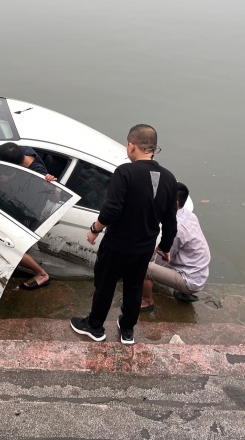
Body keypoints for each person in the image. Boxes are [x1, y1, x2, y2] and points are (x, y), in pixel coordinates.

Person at [69, 125, 178, 345]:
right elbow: (170, 220)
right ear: (154, 148)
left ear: (131, 145)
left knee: (105, 283)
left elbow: (112, 210)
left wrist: (94, 230)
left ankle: (95, 326)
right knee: (134, 286)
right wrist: (165, 246)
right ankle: (127, 330)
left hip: (118, 244)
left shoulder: (125, 172)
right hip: (145, 246)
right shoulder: (169, 178)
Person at [140, 182, 210, 311]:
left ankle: (146, 301)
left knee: (143, 267)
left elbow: (164, 258)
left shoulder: (176, 227)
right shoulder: (189, 215)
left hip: (189, 280)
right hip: (199, 273)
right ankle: (185, 294)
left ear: (175, 203)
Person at [0, 142, 56, 290]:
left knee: (12, 247)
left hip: (29, 213)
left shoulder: (38, 175)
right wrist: (9, 179)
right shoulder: (25, 151)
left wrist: (51, 186)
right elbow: (19, 168)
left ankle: (42, 274)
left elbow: (55, 196)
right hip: (20, 206)